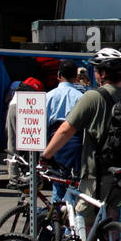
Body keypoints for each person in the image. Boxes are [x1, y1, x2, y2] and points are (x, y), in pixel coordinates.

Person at [42, 48, 121, 233]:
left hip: (97, 171)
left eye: (95, 70)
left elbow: (66, 130)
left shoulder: (93, 97)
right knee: (114, 216)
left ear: (102, 73)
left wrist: (46, 155)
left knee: (84, 216)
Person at [45, 59, 86, 206]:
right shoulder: (81, 97)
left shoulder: (49, 96)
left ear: (58, 75)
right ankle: (72, 224)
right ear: (76, 77)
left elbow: (43, 123)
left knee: (57, 182)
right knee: (74, 185)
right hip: (76, 140)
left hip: (55, 140)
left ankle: (56, 221)